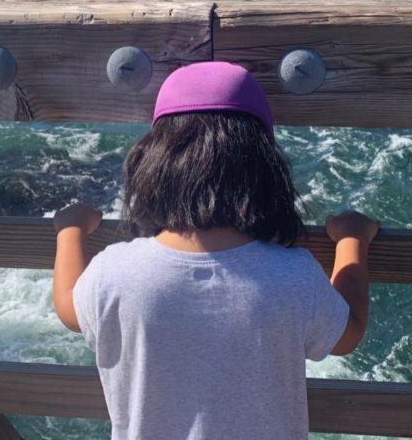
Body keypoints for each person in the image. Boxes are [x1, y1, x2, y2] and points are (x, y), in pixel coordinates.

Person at [51, 60, 379, 440]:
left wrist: (70, 230)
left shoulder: (116, 272)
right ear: (264, 169)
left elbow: (68, 306)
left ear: (154, 163)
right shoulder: (293, 276)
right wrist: (351, 239)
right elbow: (348, 332)